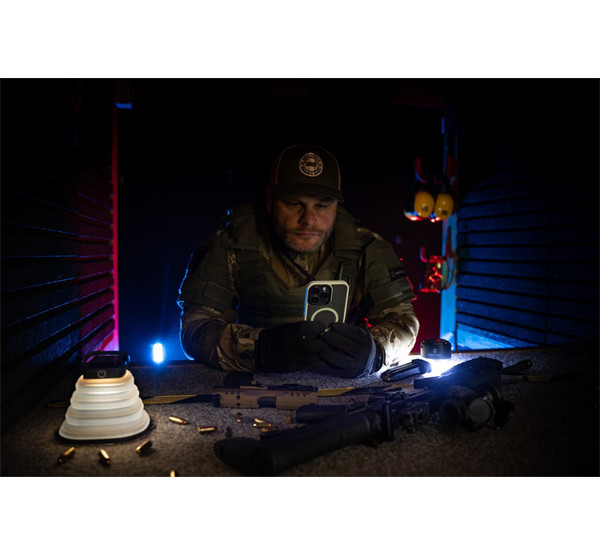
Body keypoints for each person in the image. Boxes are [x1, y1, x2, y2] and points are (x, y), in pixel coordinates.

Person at [177, 144, 419, 379]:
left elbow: (403, 322)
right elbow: (195, 329)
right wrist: (261, 349)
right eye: (294, 203)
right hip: (255, 379)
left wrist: (376, 352)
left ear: (336, 206)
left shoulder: (364, 247)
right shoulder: (232, 245)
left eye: (322, 205)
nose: (309, 219)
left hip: (336, 380)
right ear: (270, 200)